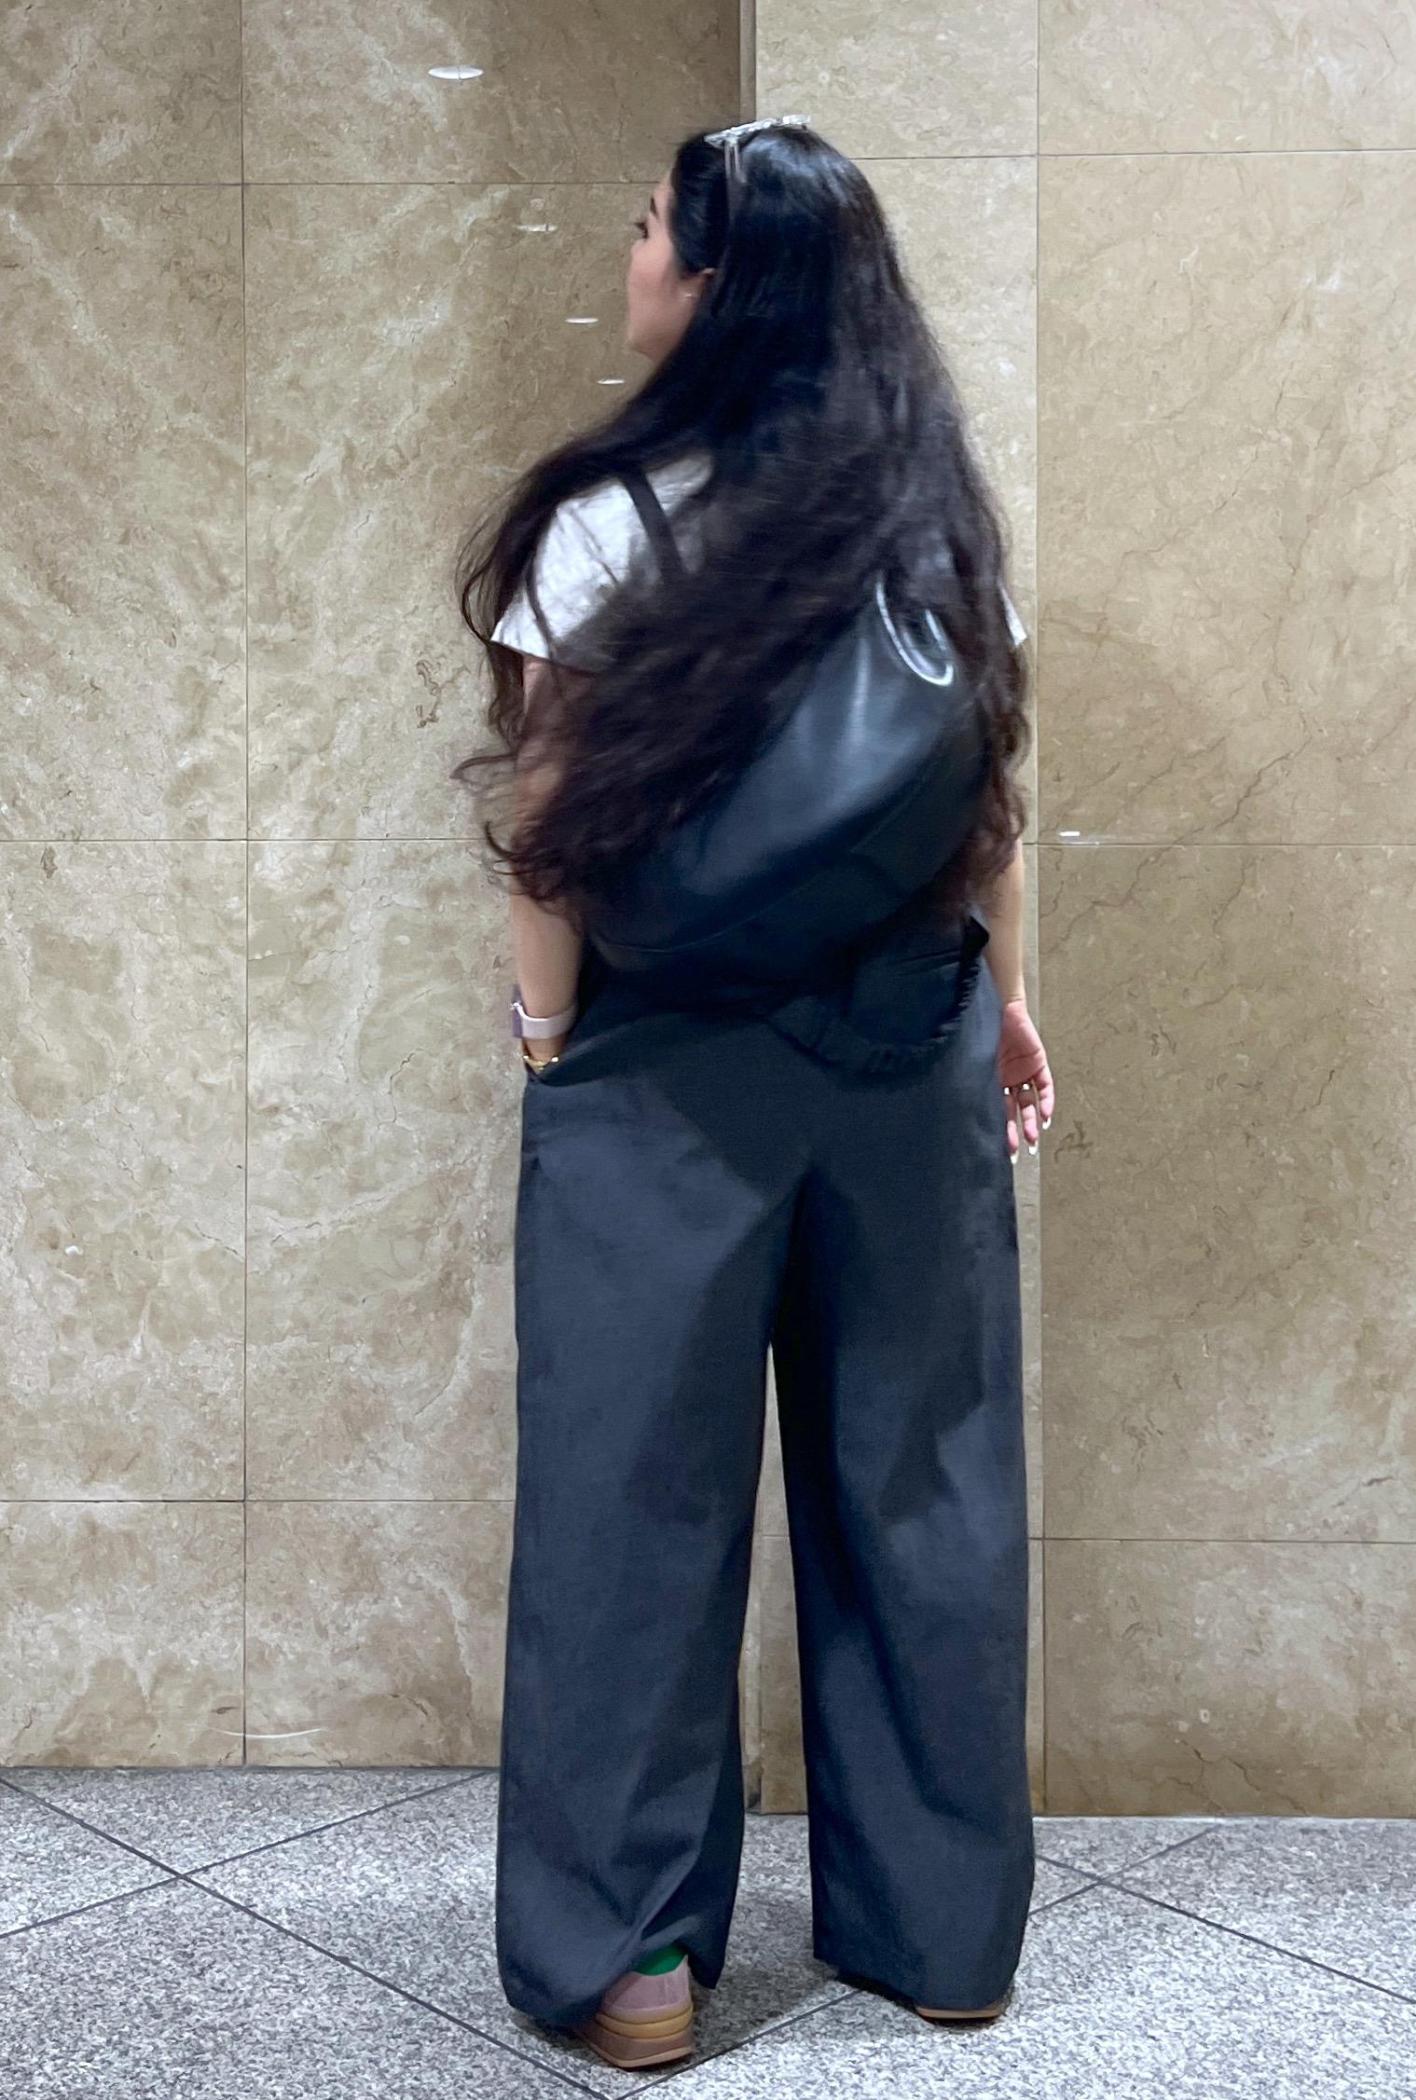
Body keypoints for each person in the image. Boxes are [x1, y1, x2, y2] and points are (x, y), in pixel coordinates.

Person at [452, 115, 1055, 2073]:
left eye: (652, 230)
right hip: (906, 1042)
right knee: (924, 1480)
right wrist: (1007, 1011)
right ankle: (946, 1937)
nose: (631, 255)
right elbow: (987, 809)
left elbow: (551, 826)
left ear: (719, 284)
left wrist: (552, 1039)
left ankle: (635, 1964)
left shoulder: (609, 520)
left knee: (634, 1493)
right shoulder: (934, 515)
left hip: (667, 1062)